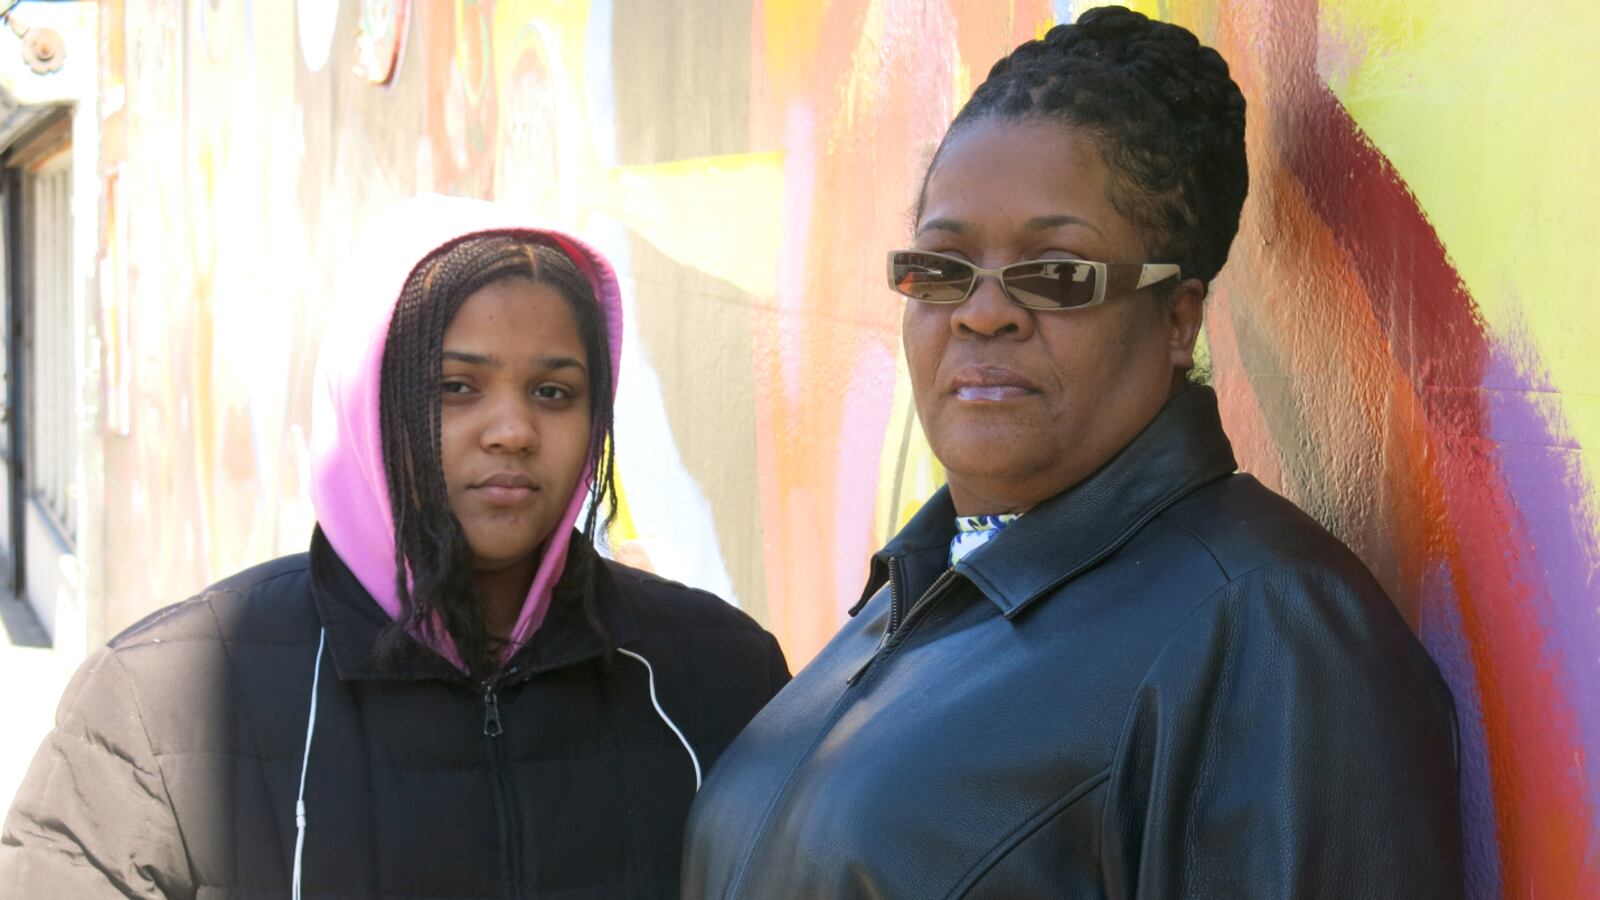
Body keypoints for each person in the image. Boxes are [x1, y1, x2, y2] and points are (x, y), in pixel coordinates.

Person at [682, 7, 1463, 898]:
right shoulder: (924, 584)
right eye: (941, 269)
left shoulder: (1267, 628)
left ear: (1178, 318)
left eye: (1055, 274)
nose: (982, 312)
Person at [0, 195, 789, 898]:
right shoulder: (163, 702)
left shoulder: (719, 675)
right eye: (455, 386)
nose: (513, 430)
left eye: (554, 392)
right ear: (367, 403)